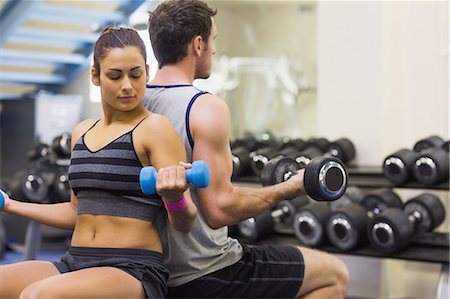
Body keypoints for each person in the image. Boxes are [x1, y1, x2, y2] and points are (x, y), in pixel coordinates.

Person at [144, 1, 350, 298]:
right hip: (205, 272)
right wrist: (288, 189)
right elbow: (219, 210)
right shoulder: (204, 107)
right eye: (213, 40)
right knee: (334, 274)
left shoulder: (132, 106)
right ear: (198, 44)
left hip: (151, 274)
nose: (214, 50)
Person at [0, 26, 197, 299]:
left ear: (147, 73)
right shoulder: (81, 132)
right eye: (115, 76)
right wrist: (9, 204)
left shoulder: (154, 128)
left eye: (136, 74)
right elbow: (75, 212)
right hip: (75, 262)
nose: (127, 85)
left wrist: (175, 198)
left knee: (37, 296)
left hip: (131, 268)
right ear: (95, 76)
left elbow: (185, 223)